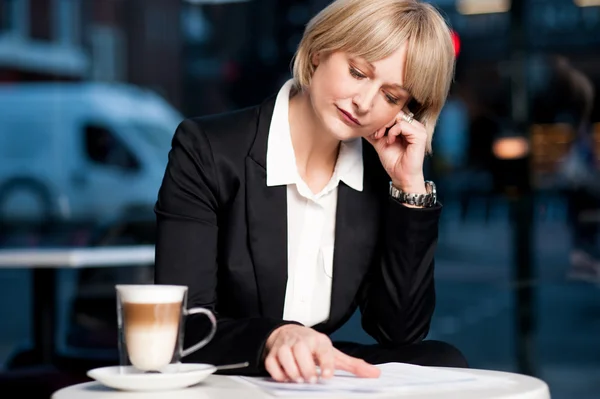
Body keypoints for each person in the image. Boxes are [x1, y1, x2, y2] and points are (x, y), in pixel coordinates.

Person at [154, 0, 467, 383]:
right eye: (356, 72)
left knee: (441, 360)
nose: (364, 103)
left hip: (308, 372)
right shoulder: (207, 149)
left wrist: (409, 188)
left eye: (391, 97)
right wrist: (274, 337)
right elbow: (183, 324)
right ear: (320, 51)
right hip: (230, 364)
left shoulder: (378, 173)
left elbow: (398, 332)